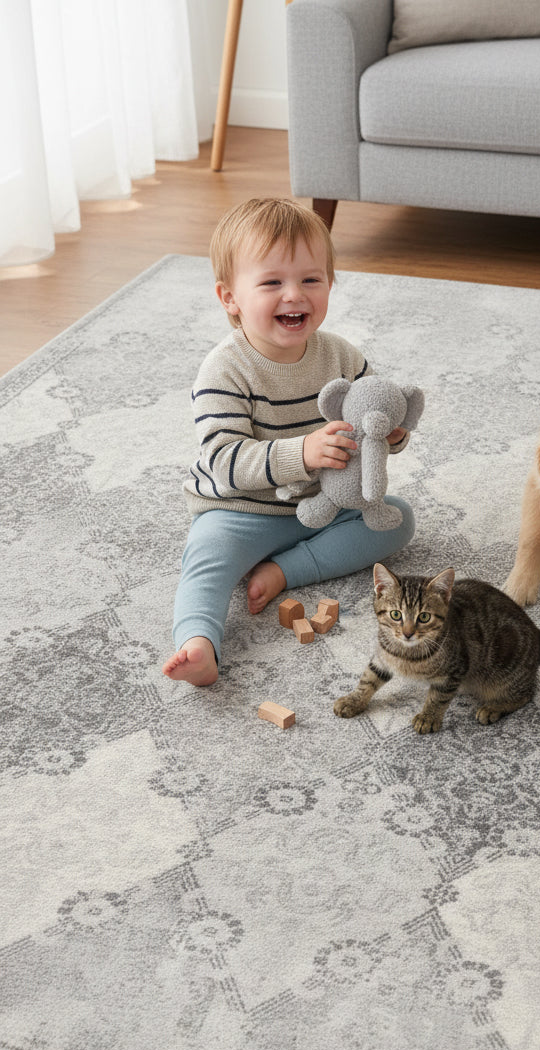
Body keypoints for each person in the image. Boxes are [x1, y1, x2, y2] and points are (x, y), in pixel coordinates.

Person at [162, 198, 415, 685]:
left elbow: (374, 416)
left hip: (326, 502)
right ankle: (198, 643)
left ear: (329, 284)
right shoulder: (224, 369)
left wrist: (393, 433)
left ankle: (285, 571)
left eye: (311, 280)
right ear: (230, 297)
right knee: (207, 560)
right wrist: (302, 453)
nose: (294, 295)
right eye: (272, 282)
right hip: (242, 511)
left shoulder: (340, 354)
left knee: (397, 520)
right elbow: (224, 462)